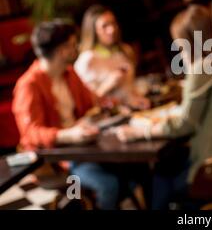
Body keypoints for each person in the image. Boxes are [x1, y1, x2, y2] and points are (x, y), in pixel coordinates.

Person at [115, 5, 212, 209]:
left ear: (188, 41)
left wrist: (141, 131)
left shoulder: (202, 68)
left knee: (161, 178)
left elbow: (184, 124)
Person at [12, 21, 133, 210]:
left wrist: (125, 103)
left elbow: (93, 101)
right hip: (57, 162)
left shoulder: (68, 73)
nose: (77, 47)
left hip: (87, 150)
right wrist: (69, 134)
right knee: (109, 185)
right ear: (62, 50)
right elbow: (30, 133)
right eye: (73, 44)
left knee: (134, 173)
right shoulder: (28, 85)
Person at [75, 5, 149, 110]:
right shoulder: (87, 60)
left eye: (113, 23)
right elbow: (86, 103)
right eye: (104, 26)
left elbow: (129, 90)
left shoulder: (125, 50)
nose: (111, 29)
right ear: (93, 30)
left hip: (134, 112)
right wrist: (108, 84)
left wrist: (136, 98)